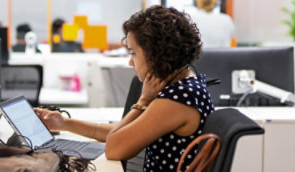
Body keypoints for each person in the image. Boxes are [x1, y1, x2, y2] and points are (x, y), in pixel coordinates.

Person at [35, 5, 214, 171]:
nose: (130, 62)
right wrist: (65, 124)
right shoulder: (183, 84)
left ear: (157, 54)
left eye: (133, 53)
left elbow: (114, 148)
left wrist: (143, 101)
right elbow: (119, 132)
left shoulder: (178, 99)